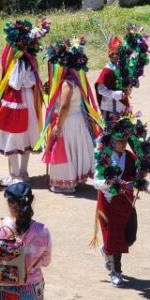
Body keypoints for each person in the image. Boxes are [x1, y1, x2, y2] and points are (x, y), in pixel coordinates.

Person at [92, 114, 150, 287]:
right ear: (111, 140)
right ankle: (116, 271)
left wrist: (140, 179)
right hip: (108, 202)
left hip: (127, 202)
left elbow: (137, 175)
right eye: (120, 140)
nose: (123, 143)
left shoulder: (130, 157)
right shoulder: (103, 157)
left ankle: (107, 251)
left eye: (125, 140)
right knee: (115, 238)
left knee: (129, 237)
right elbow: (95, 182)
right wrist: (108, 182)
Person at [0, 19, 50, 187]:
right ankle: (23, 172)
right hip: (28, 100)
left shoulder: (19, 61)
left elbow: (15, 83)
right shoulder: (30, 60)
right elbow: (31, 82)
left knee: (12, 136)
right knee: (26, 134)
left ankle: (15, 174)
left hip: (16, 100)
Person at [38, 37, 103, 193]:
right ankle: (73, 177)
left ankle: (64, 183)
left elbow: (65, 106)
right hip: (75, 120)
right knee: (72, 149)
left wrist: (58, 126)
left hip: (68, 121)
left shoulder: (67, 83)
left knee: (64, 150)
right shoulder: (72, 80)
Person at [0, 182, 52, 299]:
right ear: (31, 201)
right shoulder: (42, 230)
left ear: (9, 203)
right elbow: (46, 262)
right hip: (30, 286)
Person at [96, 36, 132, 123]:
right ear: (109, 54)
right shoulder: (107, 70)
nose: (115, 56)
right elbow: (100, 89)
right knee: (112, 134)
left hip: (123, 106)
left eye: (118, 53)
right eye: (112, 53)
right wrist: (117, 94)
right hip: (110, 108)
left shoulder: (123, 67)